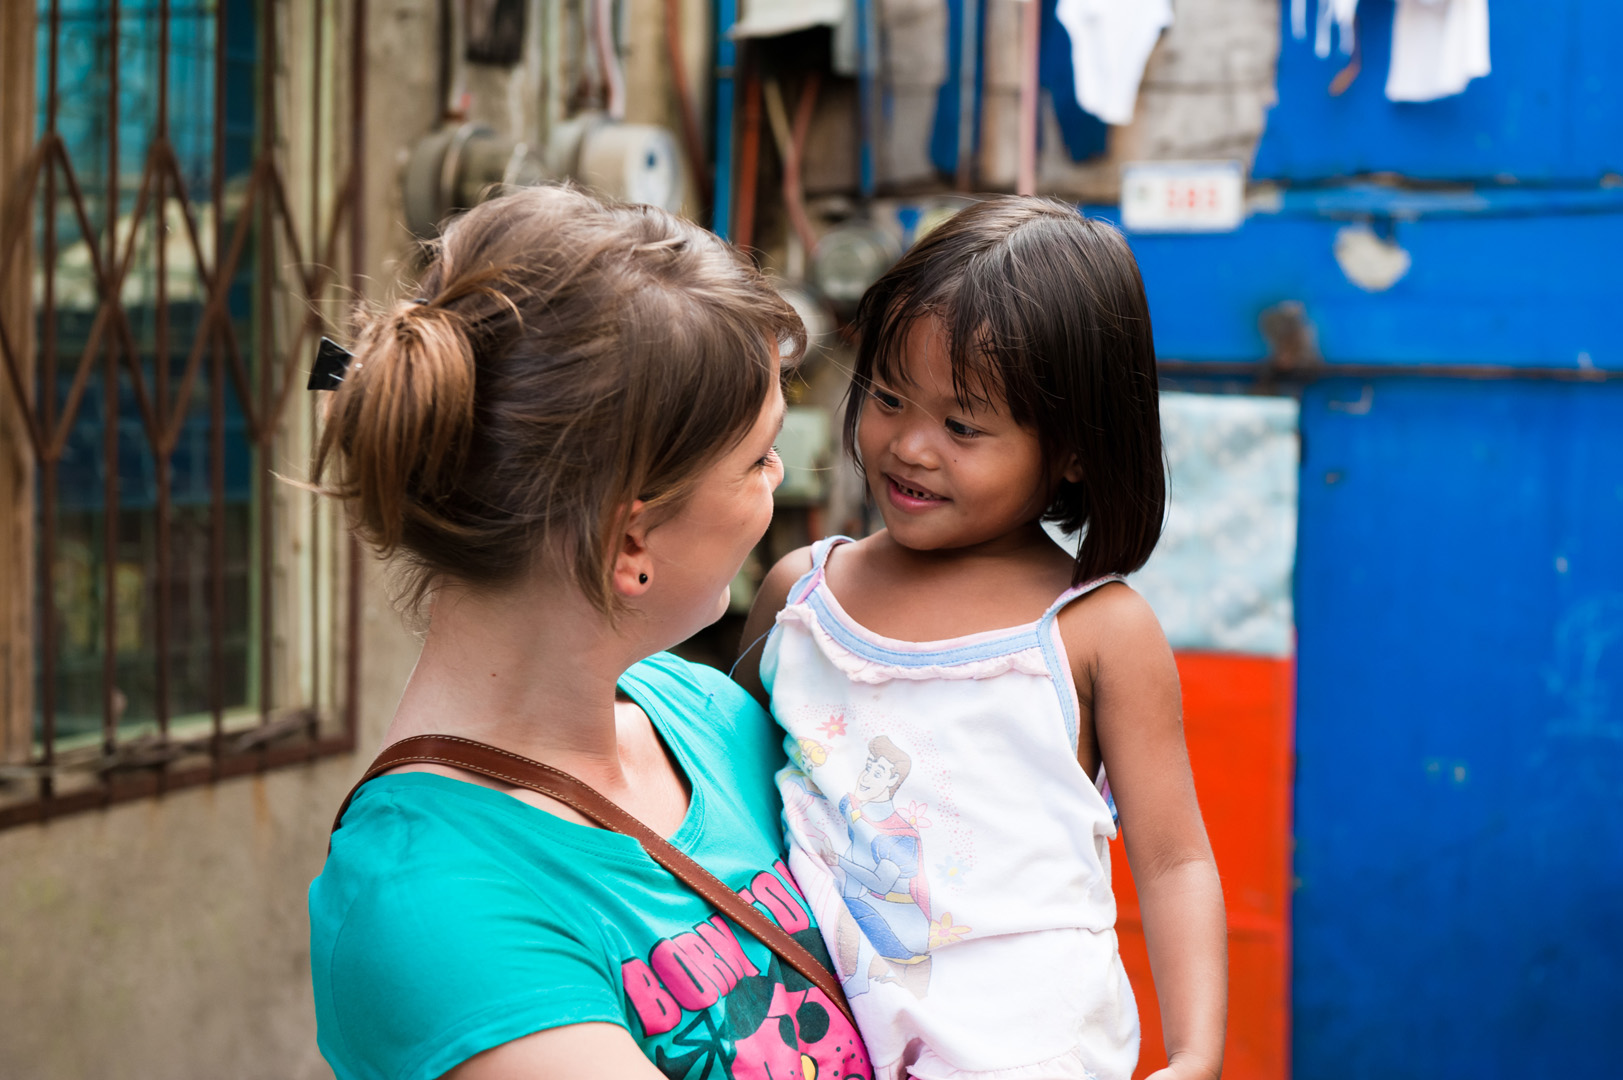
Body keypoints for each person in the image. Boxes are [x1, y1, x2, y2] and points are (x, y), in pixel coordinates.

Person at [307, 186, 874, 1080]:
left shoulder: (708, 715)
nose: (775, 483)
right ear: (631, 541)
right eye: (757, 457)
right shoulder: (431, 905)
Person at [737, 196, 1227, 1080]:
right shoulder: (799, 598)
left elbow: (1175, 856)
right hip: (814, 1052)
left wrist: (1193, 1052)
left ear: (1073, 449)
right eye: (888, 396)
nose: (910, 446)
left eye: (962, 426)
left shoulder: (1093, 632)